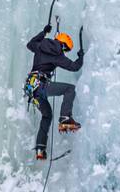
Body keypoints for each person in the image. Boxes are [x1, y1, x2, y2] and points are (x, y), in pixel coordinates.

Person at [26, 21, 84, 160]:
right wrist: (81, 56)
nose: (64, 52)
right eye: (66, 49)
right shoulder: (58, 54)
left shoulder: (40, 45)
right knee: (70, 89)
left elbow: (30, 44)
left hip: (32, 89)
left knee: (47, 116)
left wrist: (43, 32)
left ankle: (40, 148)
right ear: (63, 45)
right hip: (41, 85)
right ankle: (65, 117)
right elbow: (74, 66)